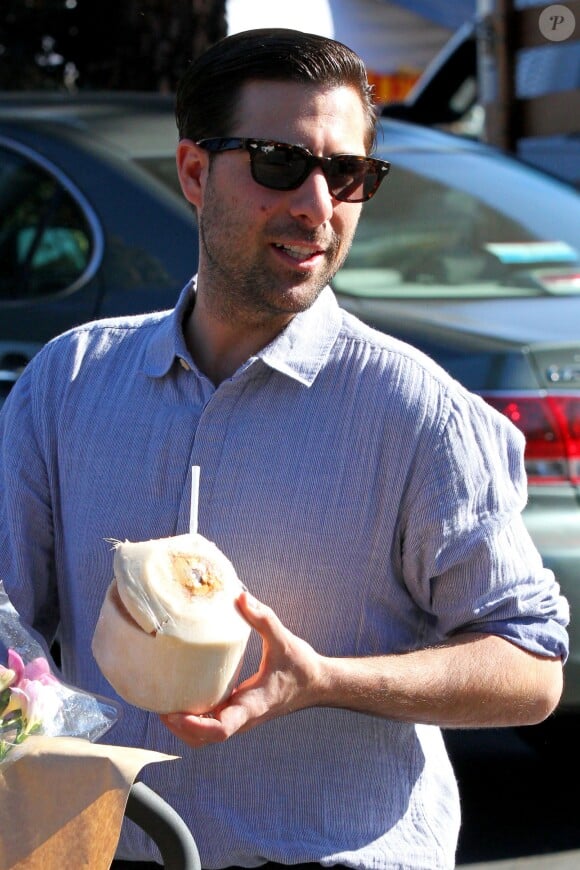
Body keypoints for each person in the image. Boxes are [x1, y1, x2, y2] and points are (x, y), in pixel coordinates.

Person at [0, 27, 569, 870]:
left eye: (347, 175)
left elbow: (532, 665)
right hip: (106, 851)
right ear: (195, 173)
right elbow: (12, 616)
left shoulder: (418, 410)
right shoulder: (69, 380)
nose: (315, 204)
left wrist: (327, 681)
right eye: (277, 163)